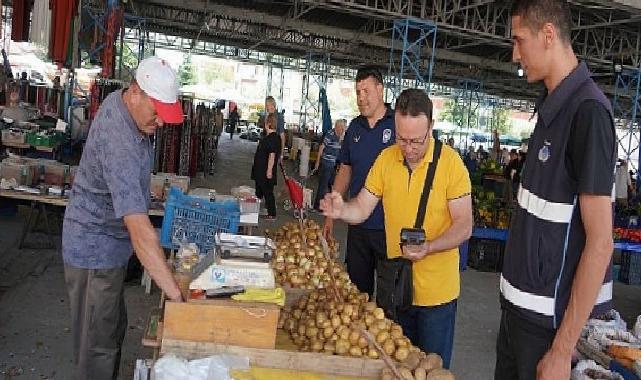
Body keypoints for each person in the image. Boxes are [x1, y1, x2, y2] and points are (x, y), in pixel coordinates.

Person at [495, 1, 616, 379]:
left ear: (548, 35)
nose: (515, 54)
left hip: (548, 329)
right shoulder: (551, 105)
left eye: (520, 40)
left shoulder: (588, 114)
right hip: (517, 315)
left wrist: (563, 350)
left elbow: (601, 242)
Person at [321, 89, 472, 368]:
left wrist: (430, 247)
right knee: (396, 368)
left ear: (431, 128)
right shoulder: (386, 159)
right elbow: (363, 207)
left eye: (417, 140)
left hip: (437, 296)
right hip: (398, 289)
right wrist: (342, 209)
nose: (409, 147)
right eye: (402, 138)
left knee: (432, 371)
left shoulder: (451, 164)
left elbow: (464, 225)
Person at [62, 56, 185, 380]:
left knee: (110, 330)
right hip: (94, 250)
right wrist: (175, 294)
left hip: (110, 248)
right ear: (136, 91)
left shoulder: (127, 108)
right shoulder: (119, 139)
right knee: (97, 347)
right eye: (156, 111)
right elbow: (140, 232)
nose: (160, 122)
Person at [323, 66, 395, 297]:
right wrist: (332, 211)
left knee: (388, 299)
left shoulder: (397, 124)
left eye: (366, 91)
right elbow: (345, 169)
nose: (361, 98)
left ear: (380, 90)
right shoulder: (355, 127)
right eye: (358, 92)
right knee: (356, 293)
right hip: (358, 225)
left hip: (390, 227)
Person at [252, 113, 281, 220]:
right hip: (260, 170)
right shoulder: (270, 137)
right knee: (259, 191)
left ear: (268, 124)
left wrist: (269, 171)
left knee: (268, 192)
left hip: (264, 171)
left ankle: (272, 213)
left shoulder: (272, 139)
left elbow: (272, 155)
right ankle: (255, 209)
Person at [313, 119, 347, 210]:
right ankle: (317, 206)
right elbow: (321, 147)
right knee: (323, 185)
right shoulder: (330, 134)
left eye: (344, 129)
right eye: (342, 129)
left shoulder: (342, 136)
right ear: (337, 127)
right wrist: (317, 162)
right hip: (326, 163)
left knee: (333, 185)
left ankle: (332, 204)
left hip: (334, 164)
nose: (343, 131)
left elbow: (341, 150)